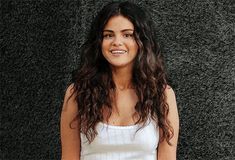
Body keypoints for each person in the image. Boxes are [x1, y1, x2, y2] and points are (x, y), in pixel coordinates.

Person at [60, 1, 179, 160]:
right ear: (99, 42)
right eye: (108, 35)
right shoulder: (77, 93)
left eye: (127, 34)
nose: (117, 42)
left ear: (141, 42)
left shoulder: (162, 95)